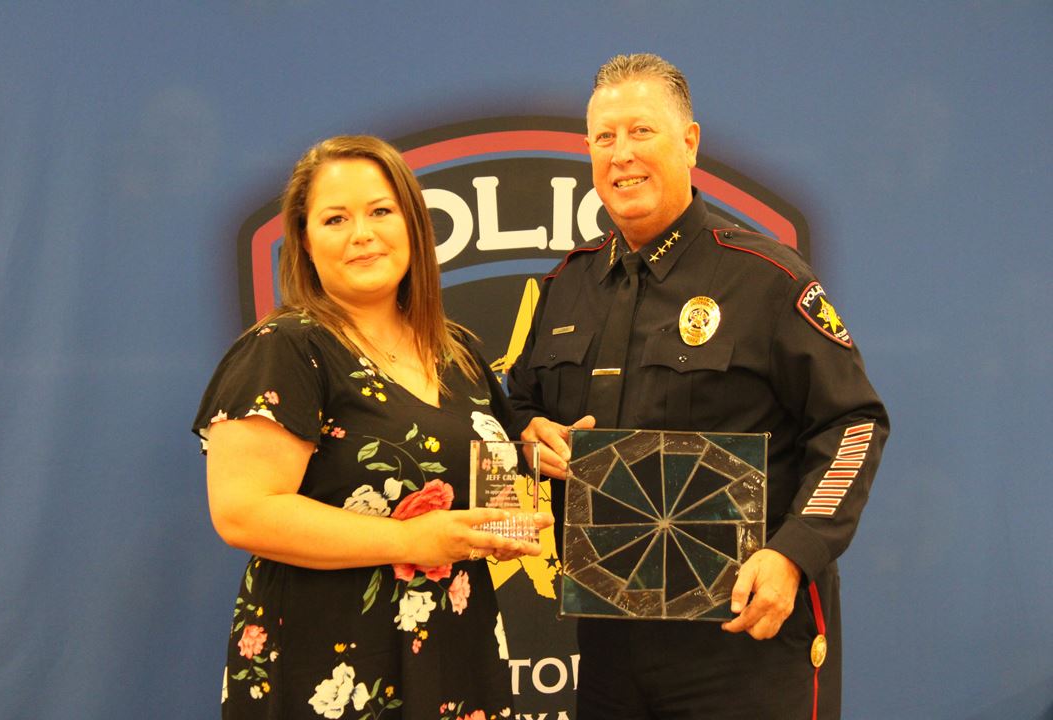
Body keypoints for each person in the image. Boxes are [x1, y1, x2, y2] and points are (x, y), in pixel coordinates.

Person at [507, 54, 889, 719]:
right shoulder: (564, 286)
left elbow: (853, 425)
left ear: (689, 142)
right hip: (609, 643)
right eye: (604, 138)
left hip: (747, 633)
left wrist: (794, 554)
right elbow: (520, 408)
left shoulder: (766, 277)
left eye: (641, 132)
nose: (621, 155)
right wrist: (530, 437)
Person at [193, 135, 551, 719]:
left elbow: (489, 478)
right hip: (332, 664)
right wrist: (410, 541)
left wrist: (532, 453)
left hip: (458, 652)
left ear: (413, 224)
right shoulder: (286, 348)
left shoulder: (456, 353)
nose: (362, 233)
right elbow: (243, 511)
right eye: (336, 218)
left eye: (381, 211)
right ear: (305, 243)